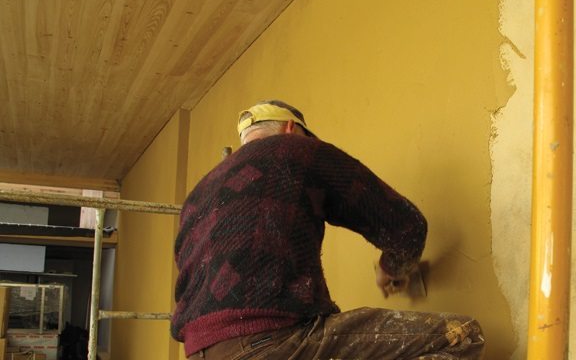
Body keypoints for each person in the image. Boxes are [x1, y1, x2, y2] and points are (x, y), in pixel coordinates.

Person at [171, 100, 485, 359]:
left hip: (199, 351)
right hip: (273, 341)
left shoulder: (196, 196)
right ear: (292, 129)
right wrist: (392, 269)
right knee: (461, 336)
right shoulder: (295, 149)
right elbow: (406, 227)